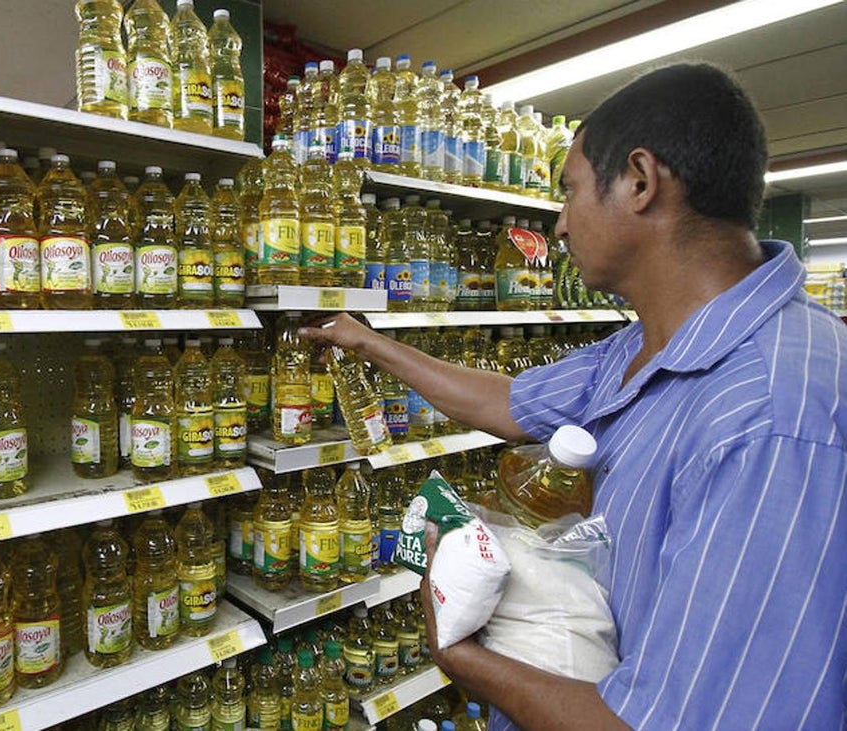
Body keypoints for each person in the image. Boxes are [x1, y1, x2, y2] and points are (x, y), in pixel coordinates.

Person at [300, 63, 847, 729]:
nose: (559, 225)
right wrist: (374, 345)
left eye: (571, 192)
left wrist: (461, 654)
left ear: (640, 182)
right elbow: (510, 402)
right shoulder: (645, 342)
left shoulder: (771, 417)